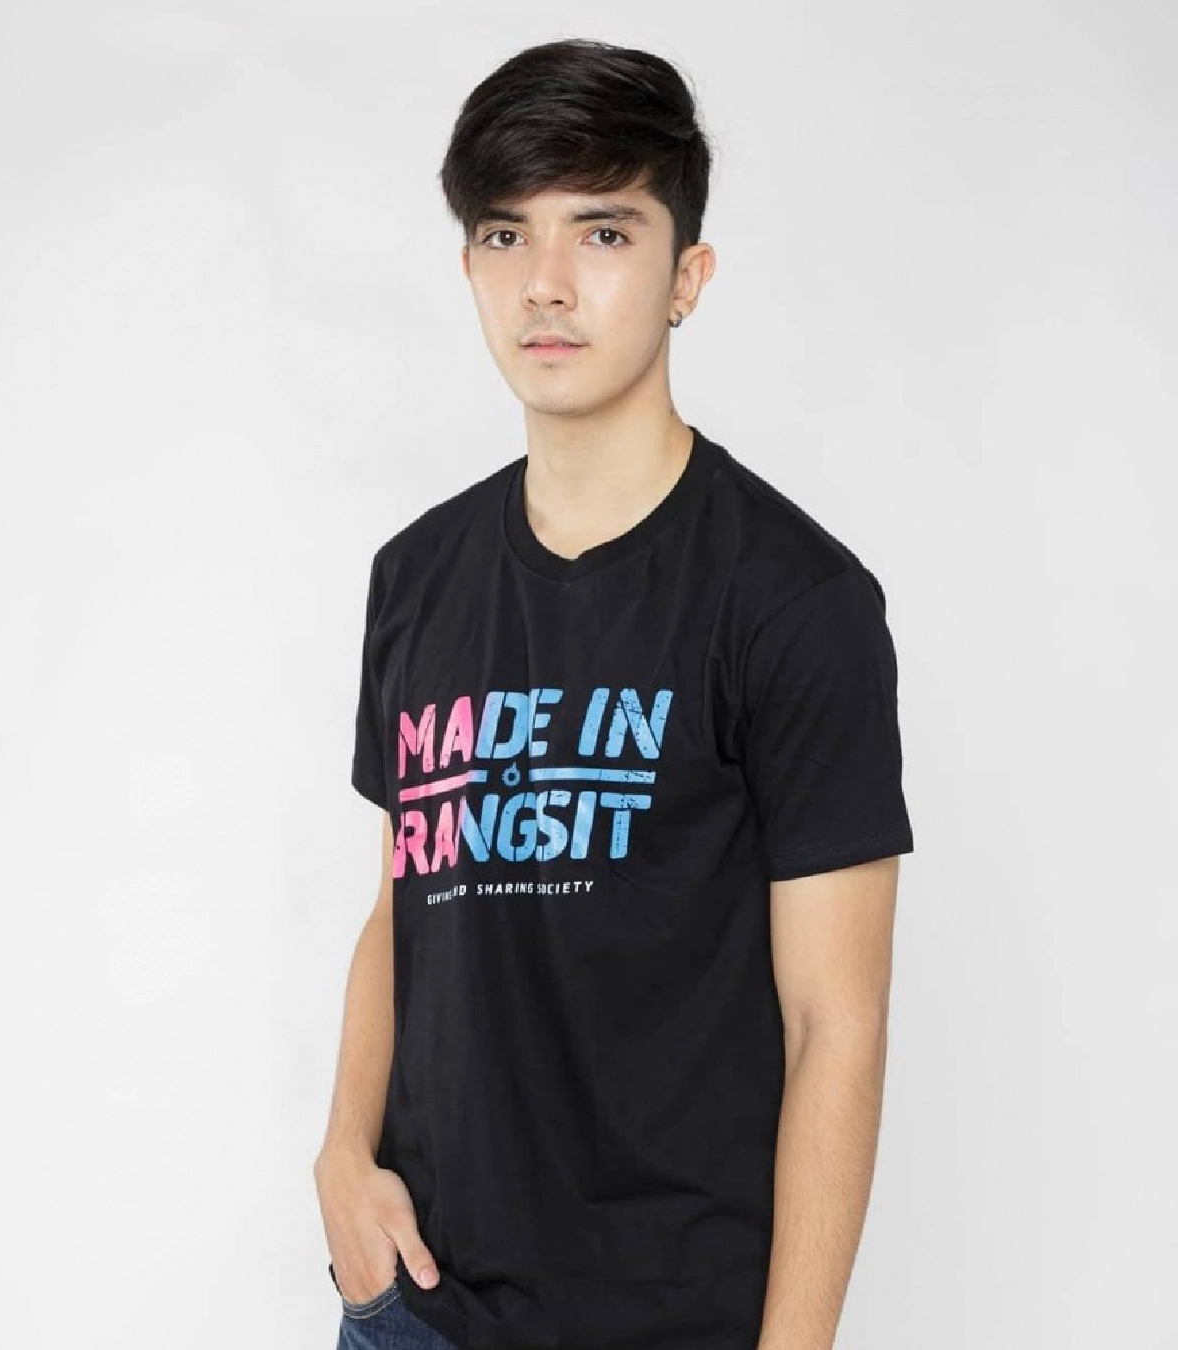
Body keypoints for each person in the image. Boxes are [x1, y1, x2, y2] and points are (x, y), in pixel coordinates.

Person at [314, 36, 914, 1350]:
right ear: (468, 267)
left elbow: (837, 1025)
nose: (545, 283)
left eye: (601, 230)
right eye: (503, 234)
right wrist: (342, 1155)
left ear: (686, 275)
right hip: (416, 1308)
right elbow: (403, 898)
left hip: (673, 1322)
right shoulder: (415, 576)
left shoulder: (794, 598)